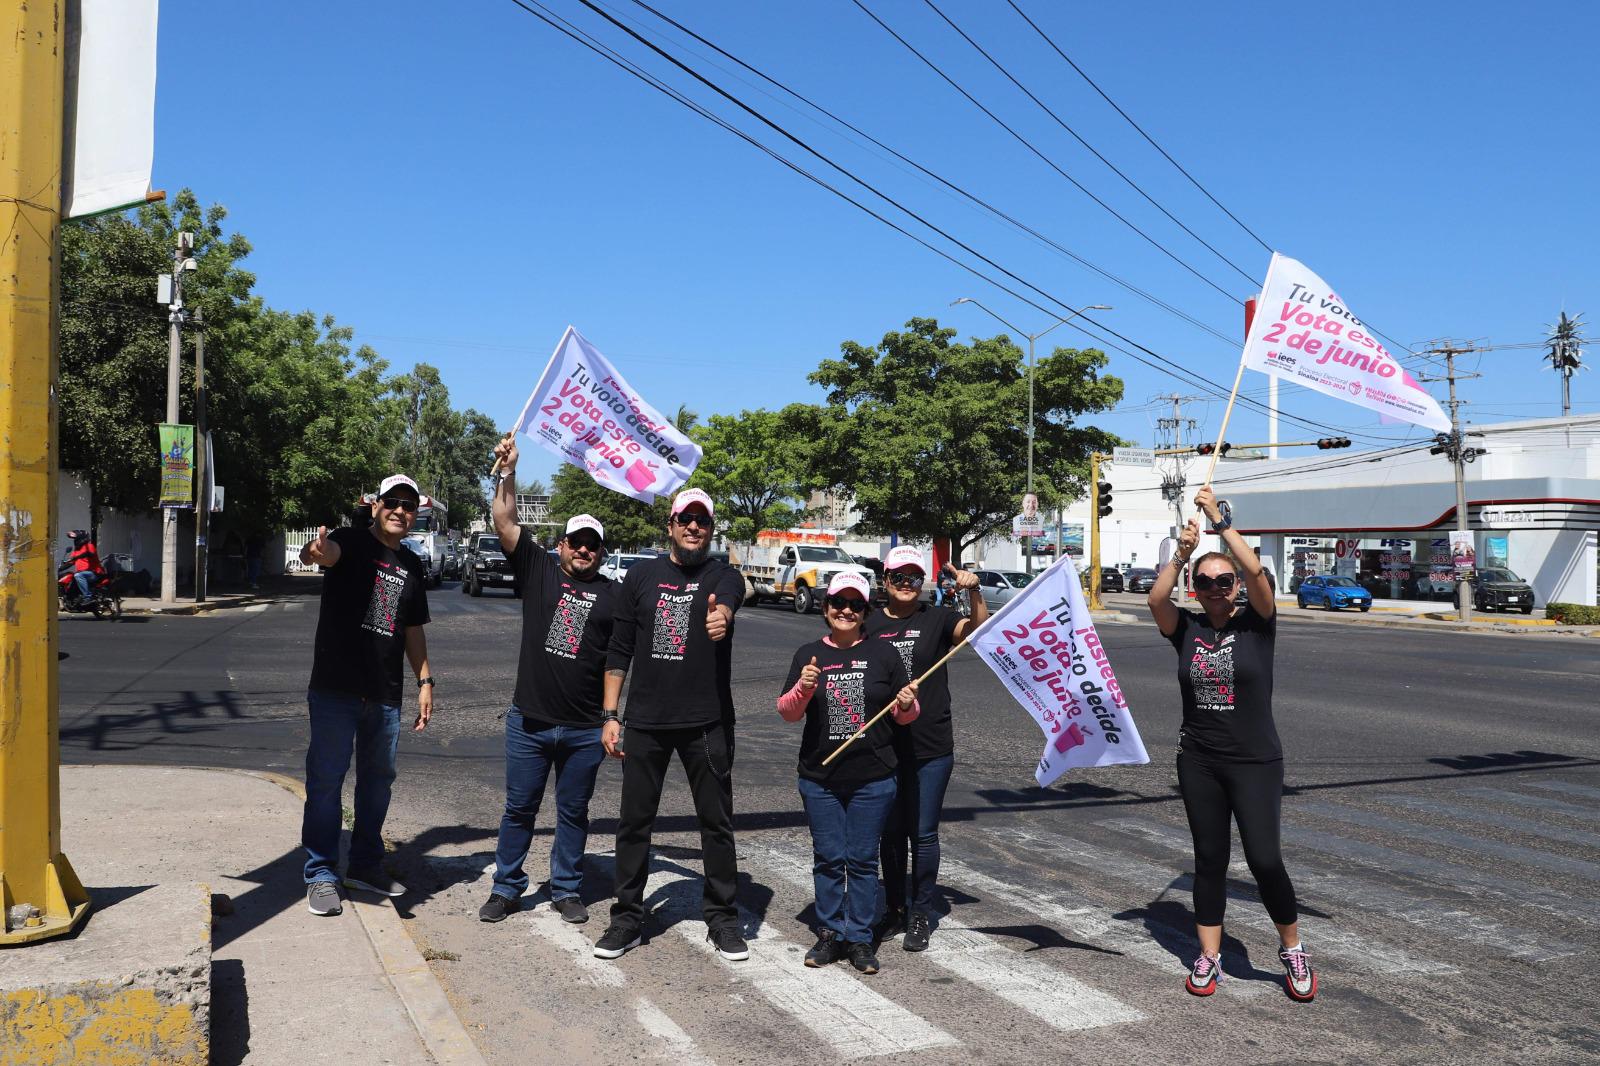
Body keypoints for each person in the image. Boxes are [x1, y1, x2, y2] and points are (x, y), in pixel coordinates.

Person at [1146, 486, 1315, 1002]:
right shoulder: (1187, 628)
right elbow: (1157, 599)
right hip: (1199, 761)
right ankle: (1209, 956)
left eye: (1225, 580)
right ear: (1195, 588)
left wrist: (1220, 524)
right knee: (1210, 859)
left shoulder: (1258, 624)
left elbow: (1261, 577)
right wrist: (1181, 553)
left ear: (1236, 584)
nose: (1217, 587)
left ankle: (1292, 950)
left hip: (1256, 762)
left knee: (1265, 860)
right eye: (1207, 581)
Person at [594, 488, 748, 961]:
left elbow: (733, 595)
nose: (694, 527)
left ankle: (722, 919)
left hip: (707, 723)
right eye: (686, 519)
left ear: (711, 528)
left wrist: (722, 614)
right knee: (634, 824)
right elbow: (619, 650)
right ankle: (626, 919)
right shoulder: (640, 577)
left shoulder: (722, 575)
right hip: (646, 722)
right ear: (671, 524)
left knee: (716, 824)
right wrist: (611, 715)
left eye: (702, 520)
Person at [480, 434, 615, 926]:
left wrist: (610, 719)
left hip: (583, 730)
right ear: (561, 545)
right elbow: (503, 520)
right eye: (575, 542)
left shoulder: (612, 595)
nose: (582, 550)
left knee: (573, 814)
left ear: (600, 552)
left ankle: (566, 888)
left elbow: (618, 662)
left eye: (591, 545)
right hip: (530, 723)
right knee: (519, 809)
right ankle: (506, 886)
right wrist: (509, 471)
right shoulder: (537, 568)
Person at [298, 475, 434, 917]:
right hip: (336, 689)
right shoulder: (349, 541)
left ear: (416, 514)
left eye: (408, 505)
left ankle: (365, 865)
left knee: (377, 786)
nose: (400, 510)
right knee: (326, 783)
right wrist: (314, 552)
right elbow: (324, 554)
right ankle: (320, 872)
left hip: (384, 694)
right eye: (392, 502)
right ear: (376, 506)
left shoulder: (412, 565)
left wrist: (425, 680)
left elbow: (412, 629)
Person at [777, 572, 919, 975]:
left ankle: (858, 938)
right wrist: (804, 688)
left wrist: (907, 702)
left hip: (872, 778)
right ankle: (830, 934)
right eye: (838, 603)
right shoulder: (809, 653)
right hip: (820, 779)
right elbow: (788, 713)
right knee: (827, 858)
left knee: (860, 860)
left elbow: (906, 716)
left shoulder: (885, 655)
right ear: (825, 608)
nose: (846, 611)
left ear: (864, 612)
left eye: (855, 605)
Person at [864, 545, 987, 952]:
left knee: (923, 833)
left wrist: (974, 592)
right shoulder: (868, 622)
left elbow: (976, 631)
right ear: (885, 580)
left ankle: (921, 913)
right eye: (898, 577)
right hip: (883, 745)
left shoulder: (936, 619)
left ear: (922, 583)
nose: (905, 585)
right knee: (890, 833)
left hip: (930, 744)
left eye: (914, 578)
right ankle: (895, 909)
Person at [63, 529, 107, 604]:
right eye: (75, 540)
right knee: (69, 576)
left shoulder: (89, 546)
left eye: (77, 539)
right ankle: (72, 599)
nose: (75, 541)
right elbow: (70, 563)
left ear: (82, 539)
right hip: (84, 574)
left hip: (95, 573)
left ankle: (88, 596)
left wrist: (79, 557)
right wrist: (59, 569)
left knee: (78, 575)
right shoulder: (75, 551)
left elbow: (90, 554)